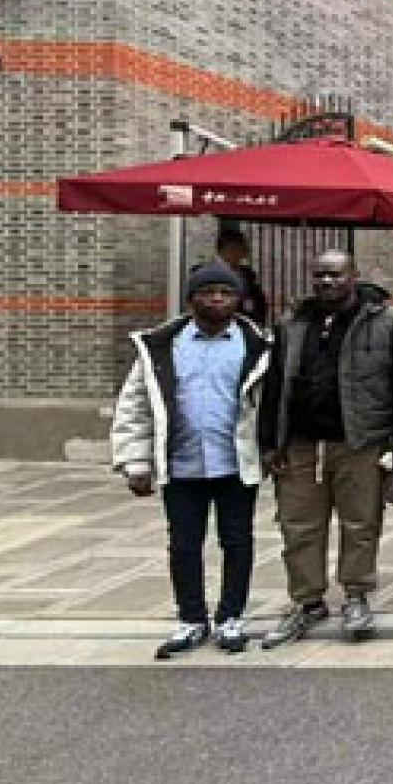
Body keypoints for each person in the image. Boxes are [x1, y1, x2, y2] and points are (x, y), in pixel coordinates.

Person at [111, 263, 278, 660]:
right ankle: (191, 617)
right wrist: (135, 461)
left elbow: (273, 405)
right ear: (191, 299)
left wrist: (275, 450)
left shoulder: (259, 345)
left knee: (237, 542)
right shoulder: (160, 346)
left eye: (226, 292)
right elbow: (134, 405)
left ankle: (231, 616)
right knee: (184, 544)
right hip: (181, 464)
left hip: (235, 463)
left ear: (238, 299)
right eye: (208, 292)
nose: (217, 299)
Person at [260, 249, 393, 649]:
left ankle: (357, 595)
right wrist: (269, 441)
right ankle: (307, 601)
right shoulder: (293, 322)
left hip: (360, 442)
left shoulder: (384, 322)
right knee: (298, 526)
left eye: (336, 275)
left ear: (354, 276)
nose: (327, 283)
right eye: (320, 276)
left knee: (360, 523)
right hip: (301, 445)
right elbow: (275, 384)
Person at [213, 225, 271, 327]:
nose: (243, 253)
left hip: (248, 324)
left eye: (243, 249)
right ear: (224, 249)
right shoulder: (209, 273)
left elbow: (258, 300)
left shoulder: (247, 274)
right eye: (238, 249)